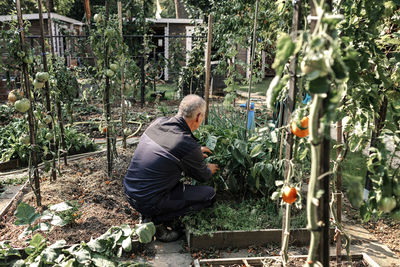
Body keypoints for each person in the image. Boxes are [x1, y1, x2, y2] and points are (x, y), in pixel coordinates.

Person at [124, 94, 219, 242]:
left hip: (130, 192)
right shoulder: (187, 144)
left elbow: (169, 147)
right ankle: (156, 220)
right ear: (199, 116)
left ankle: (149, 211)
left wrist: (194, 153)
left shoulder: (158, 123)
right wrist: (209, 169)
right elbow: (203, 176)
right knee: (209, 195)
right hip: (148, 200)